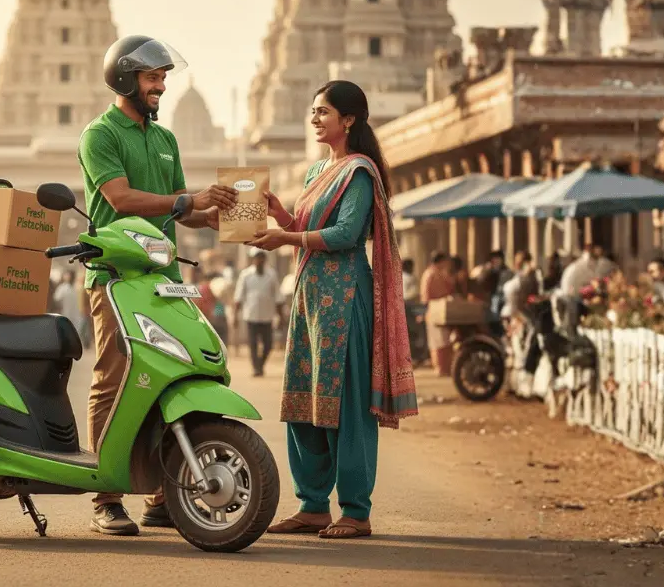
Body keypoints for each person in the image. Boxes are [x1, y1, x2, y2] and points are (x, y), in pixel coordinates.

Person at [77, 35, 238, 536]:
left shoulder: (164, 139)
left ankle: (160, 496)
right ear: (126, 80)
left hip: (164, 277)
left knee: (172, 372)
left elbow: (180, 209)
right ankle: (105, 497)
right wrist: (189, 201)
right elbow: (122, 199)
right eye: (152, 78)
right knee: (113, 376)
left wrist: (228, 218)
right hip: (115, 276)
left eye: (163, 77)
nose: (161, 86)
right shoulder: (100, 135)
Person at [250, 79, 417, 540]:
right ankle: (313, 506)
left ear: (349, 120)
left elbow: (345, 235)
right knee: (303, 399)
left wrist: (286, 237)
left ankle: (356, 511)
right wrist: (278, 214)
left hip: (346, 297)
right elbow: (303, 227)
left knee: (346, 402)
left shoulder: (359, 172)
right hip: (309, 296)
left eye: (323, 111)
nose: (314, 118)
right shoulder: (314, 173)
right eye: (313, 110)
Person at [235, 248, 284, 377]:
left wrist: (281, 316)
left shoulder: (272, 274)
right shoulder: (245, 274)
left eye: (262, 257)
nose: (260, 260)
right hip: (251, 314)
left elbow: (278, 296)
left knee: (268, 345)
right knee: (253, 343)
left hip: (267, 316)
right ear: (253, 259)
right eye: (257, 258)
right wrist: (235, 315)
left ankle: (260, 364)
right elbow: (238, 296)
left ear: (265, 259)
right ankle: (256, 368)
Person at [420, 251, 456, 375]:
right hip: (435, 310)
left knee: (443, 341)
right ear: (441, 261)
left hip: (441, 310)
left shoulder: (437, 273)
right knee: (438, 341)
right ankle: (440, 368)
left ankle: (443, 368)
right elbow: (426, 296)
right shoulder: (431, 274)